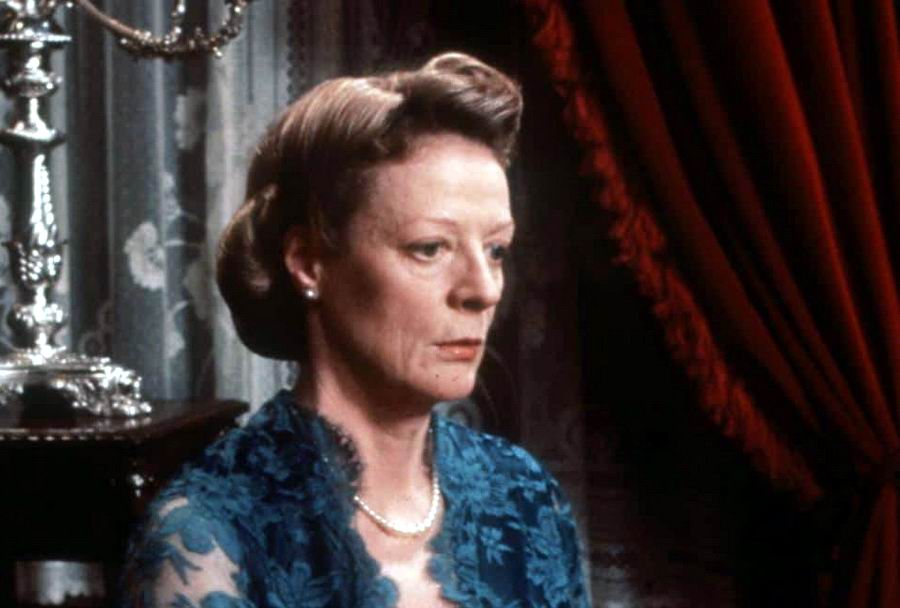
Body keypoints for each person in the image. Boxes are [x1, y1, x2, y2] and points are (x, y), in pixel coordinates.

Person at [122, 52, 589, 608]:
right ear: (309, 263)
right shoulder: (205, 542)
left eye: (496, 250)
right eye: (430, 248)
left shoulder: (525, 500)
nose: (483, 290)